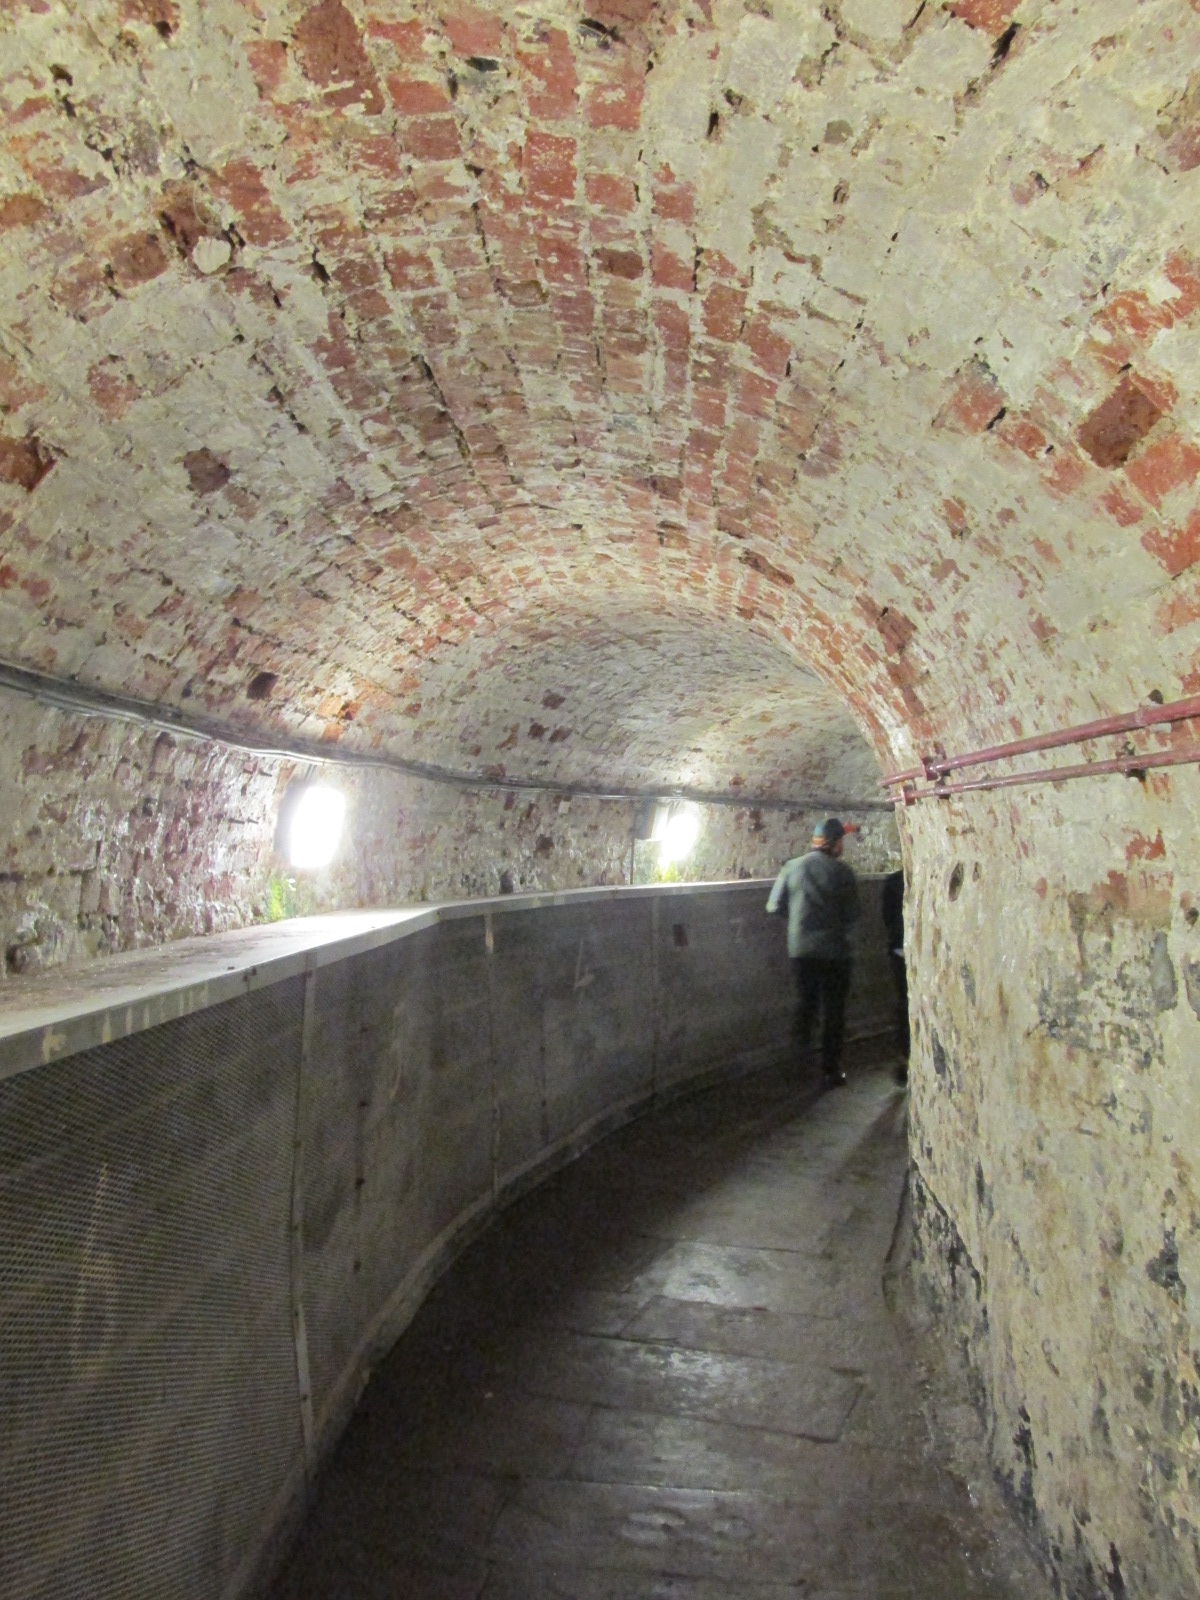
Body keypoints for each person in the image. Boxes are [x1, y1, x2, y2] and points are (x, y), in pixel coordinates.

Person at [766, 818, 860, 1088]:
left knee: (805, 1007)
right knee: (834, 1011)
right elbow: (853, 913)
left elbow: (774, 906)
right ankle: (830, 1071)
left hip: (801, 950)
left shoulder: (792, 867)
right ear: (835, 844)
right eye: (841, 841)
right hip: (835, 952)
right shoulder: (843, 873)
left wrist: (799, 920)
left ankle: (798, 1067)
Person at [881, 868, 908, 1084]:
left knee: (903, 1002)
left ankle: (904, 1056)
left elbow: (887, 917)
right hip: (910, 948)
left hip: (899, 949)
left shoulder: (893, 881)